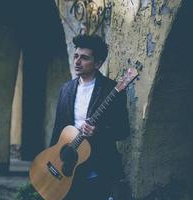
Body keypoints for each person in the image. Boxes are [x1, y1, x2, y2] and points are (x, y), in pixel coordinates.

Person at [50, 34, 130, 200]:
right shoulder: (66, 89)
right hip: (68, 166)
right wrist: (52, 161)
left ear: (98, 63)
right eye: (76, 56)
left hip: (98, 167)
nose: (77, 62)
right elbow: (58, 128)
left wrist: (98, 131)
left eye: (84, 58)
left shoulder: (112, 90)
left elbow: (123, 130)